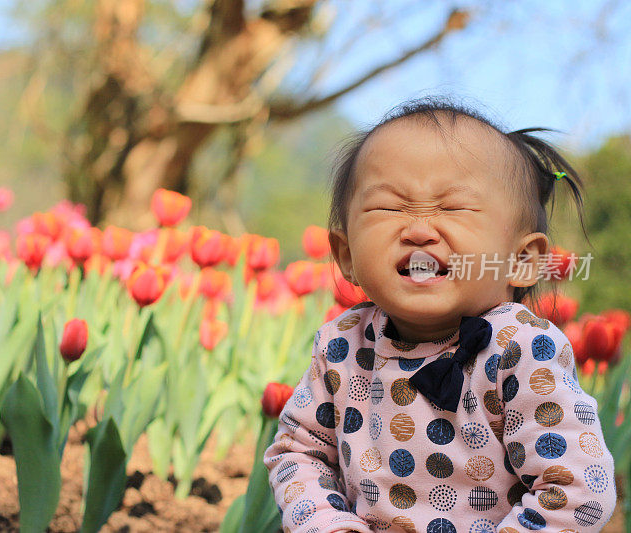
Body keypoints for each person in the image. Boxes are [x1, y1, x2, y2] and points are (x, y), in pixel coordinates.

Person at [262, 96, 617, 532]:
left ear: (523, 260)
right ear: (346, 255)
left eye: (453, 208)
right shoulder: (343, 344)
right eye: (388, 208)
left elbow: (578, 492)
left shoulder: (521, 350)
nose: (418, 229)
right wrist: (327, 523)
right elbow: (298, 452)